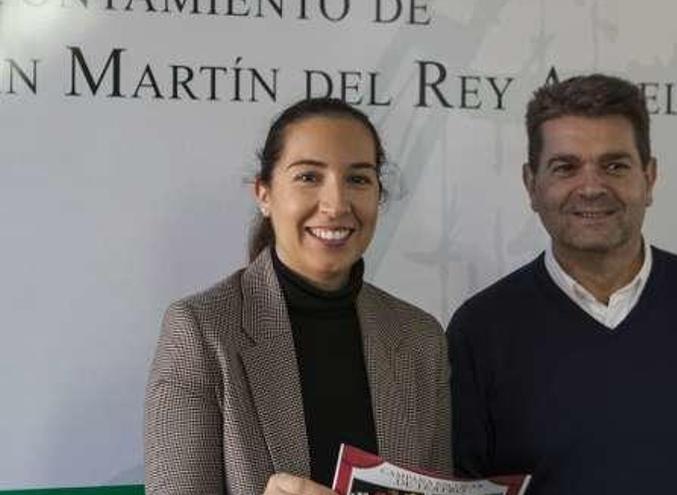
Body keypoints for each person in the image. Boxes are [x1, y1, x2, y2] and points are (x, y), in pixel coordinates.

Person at [447, 74, 677, 494]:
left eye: (614, 165)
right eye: (566, 167)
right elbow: (459, 484)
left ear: (649, 178)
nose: (592, 187)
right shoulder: (481, 328)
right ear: (531, 184)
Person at [145, 98, 452, 495]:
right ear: (265, 194)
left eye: (358, 179)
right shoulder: (200, 331)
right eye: (308, 176)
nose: (336, 204)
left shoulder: (420, 338)